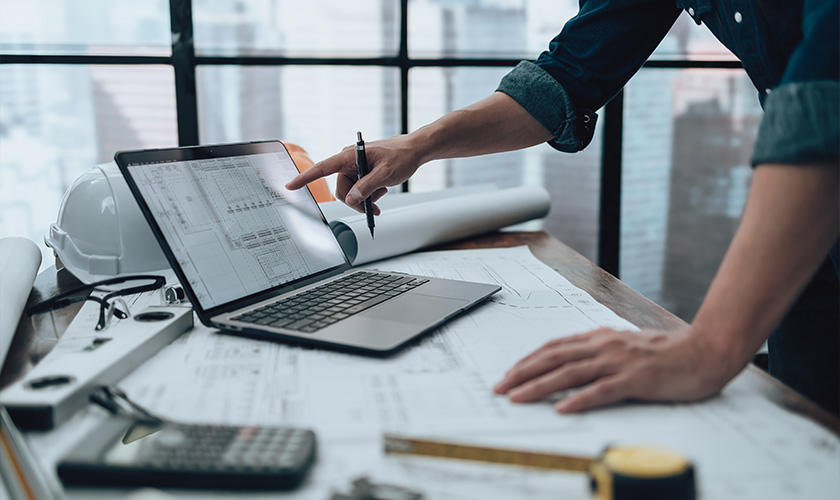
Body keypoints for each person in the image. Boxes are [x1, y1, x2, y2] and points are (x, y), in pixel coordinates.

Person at [287, 0, 839, 415]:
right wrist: (420, 145)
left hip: (813, 173)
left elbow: (827, 85)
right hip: (807, 214)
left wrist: (711, 347)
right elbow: (569, 76)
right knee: (808, 422)